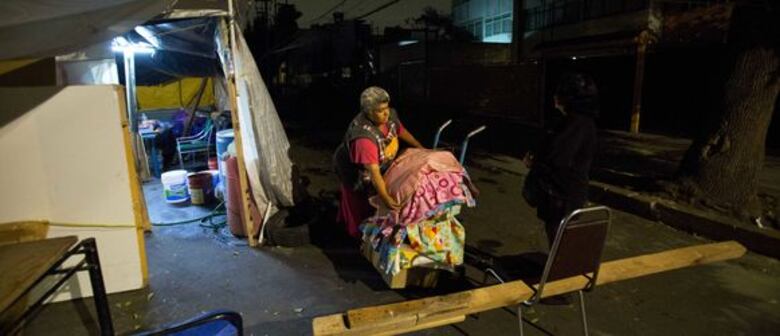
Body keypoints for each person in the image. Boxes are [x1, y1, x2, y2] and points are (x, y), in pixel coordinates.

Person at [333, 86, 424, 238]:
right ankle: (355, 237)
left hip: (374, 165)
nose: (386, 113)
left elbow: (402, 132)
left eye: (386, 108)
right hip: (353, 170)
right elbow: (374, 173)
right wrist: (386, 198)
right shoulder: (363, 138)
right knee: (357, 203)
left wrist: (421, 148)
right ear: (368, 112)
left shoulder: (390, 116)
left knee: (372, 202)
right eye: (380, 111)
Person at [524, 73, 599, 246]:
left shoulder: (575, 124)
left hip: (561, 193)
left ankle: (560, 268)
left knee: (558, 234)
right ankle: (561, 265)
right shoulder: (578, 121)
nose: (555, 97)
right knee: (560, 233)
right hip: (567, 191)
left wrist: (534, 163)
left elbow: (559, 158)